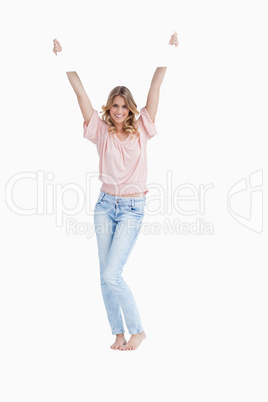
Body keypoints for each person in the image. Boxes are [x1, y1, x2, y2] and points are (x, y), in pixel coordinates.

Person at [52, 32, 179, 351]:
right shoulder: (101, 131)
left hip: (133, 208)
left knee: (113, 272)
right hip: (105, 206)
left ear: (131, 108)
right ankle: (118, 334)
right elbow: (80, 93)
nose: (120, 110)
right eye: (115, 105)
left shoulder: (143, 130)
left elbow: (156, 87)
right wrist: (64, 58)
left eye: (124, 105)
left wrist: (166, 51)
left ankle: (137, 330)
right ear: (109, 107)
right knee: (104, 275)